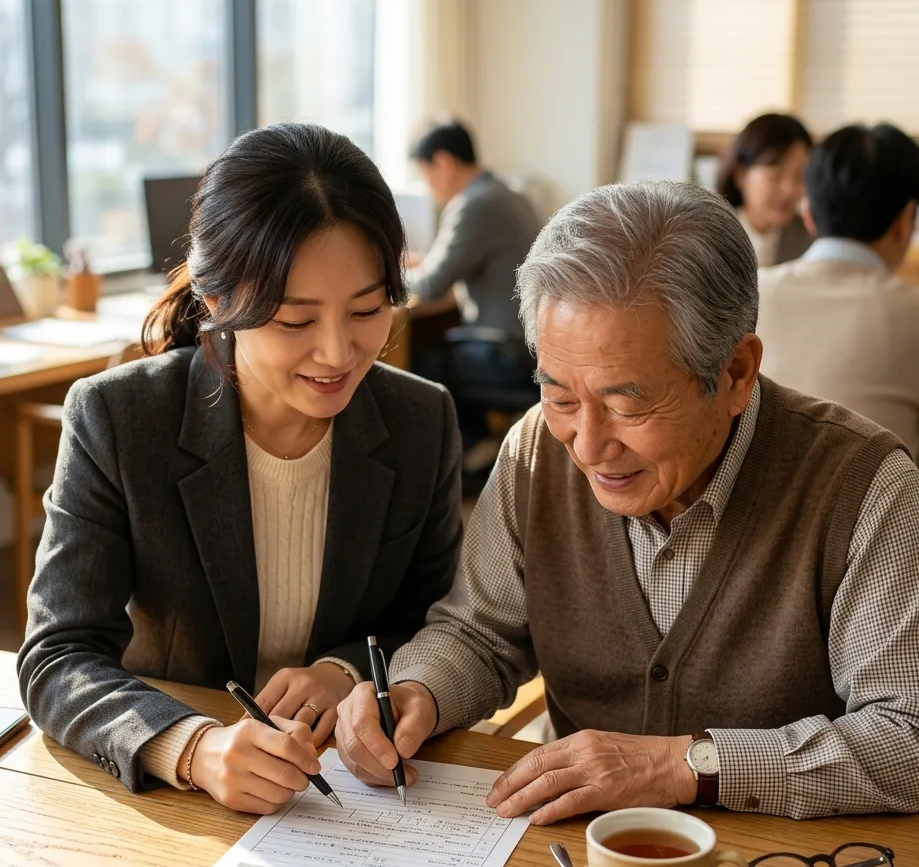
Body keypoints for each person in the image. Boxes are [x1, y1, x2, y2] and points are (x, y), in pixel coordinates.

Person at [336, 180, 919, 823]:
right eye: (559, 397)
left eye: (627, 404)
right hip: (576, 863)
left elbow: (907, 735)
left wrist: (683, 767)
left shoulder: (866, 486)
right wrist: (419, 690)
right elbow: (479, 631)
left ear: (735, 375)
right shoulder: (537, 451)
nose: (587, 447)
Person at [18, 123, 462, 815]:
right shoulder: (119, 418)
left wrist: (341, 672)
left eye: (368, 310)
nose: (339, 352)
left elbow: (437, 618)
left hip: (345, 800)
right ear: (218, 301)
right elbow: (58, 656)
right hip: (172, 808)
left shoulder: (420, 421)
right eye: (294, 321)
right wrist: (190, 747)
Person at [758, 123, 919, 454]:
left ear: (809, 215)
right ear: (905, 220)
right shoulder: (912, 309)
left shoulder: (748, 291)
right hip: (879, 503)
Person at [409, 120, 541, 340]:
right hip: (528, 342)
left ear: (444, 162)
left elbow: (431, 286)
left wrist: (387, 277)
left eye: (425, 172)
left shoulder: (472, 204)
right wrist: (424, 262)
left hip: (500, 346)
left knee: (413, 355)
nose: (427, 185)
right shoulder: (512, 195)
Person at [717, 112, 813, 268]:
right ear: (741, 174)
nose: (789, 190)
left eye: (799, 176)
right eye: (775, 175)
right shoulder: (711, 237)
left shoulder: (811, 241)